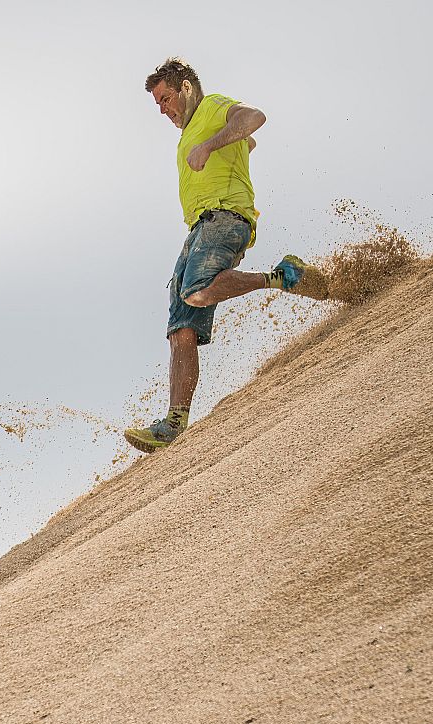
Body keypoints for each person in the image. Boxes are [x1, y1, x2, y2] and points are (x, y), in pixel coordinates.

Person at [125, 57, 331, 454]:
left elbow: (253, 117)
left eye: (166, 99)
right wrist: (232, 143)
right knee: (181, 325)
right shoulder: (189, 132)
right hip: (199, 229)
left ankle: (282, 277)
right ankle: (174, 422)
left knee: (197, 290)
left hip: (225, 218)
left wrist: (211, 144)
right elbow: (244, 139)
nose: (163, 110)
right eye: (158, 104)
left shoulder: (212, 106)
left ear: (186, 88)